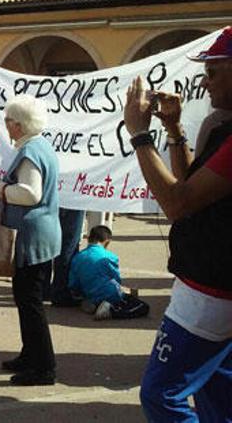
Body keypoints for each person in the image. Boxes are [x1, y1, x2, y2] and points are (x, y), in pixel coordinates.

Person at [124, 28, 232, 422]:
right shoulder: (222, 127)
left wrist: (138, 133)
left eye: (215, 72)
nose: (206, 82)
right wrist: (173, 129)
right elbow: (190, 188)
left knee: (160, 394)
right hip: (216, 287)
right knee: (217, 395)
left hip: (209, 291)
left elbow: (177, 202)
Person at [0, 94, 61, 386]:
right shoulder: (40, 145)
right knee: (26, 298)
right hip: (41, 232)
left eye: (8, 121)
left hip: (32, 235)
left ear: (19, 124)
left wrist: (0, 187)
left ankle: (43, 367)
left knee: (30, 302)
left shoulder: (30, 151)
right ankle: (31, 355)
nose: (6, 126)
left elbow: (31, 193)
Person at [68, 225, 149, 320]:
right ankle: (111, 310)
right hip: (109, 294)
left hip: (88, 294)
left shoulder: (77, 257)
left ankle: (93, 303)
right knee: (142, 307)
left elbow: (73, 283)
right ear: (107, 241)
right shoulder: (110, 256)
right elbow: (116, 279)